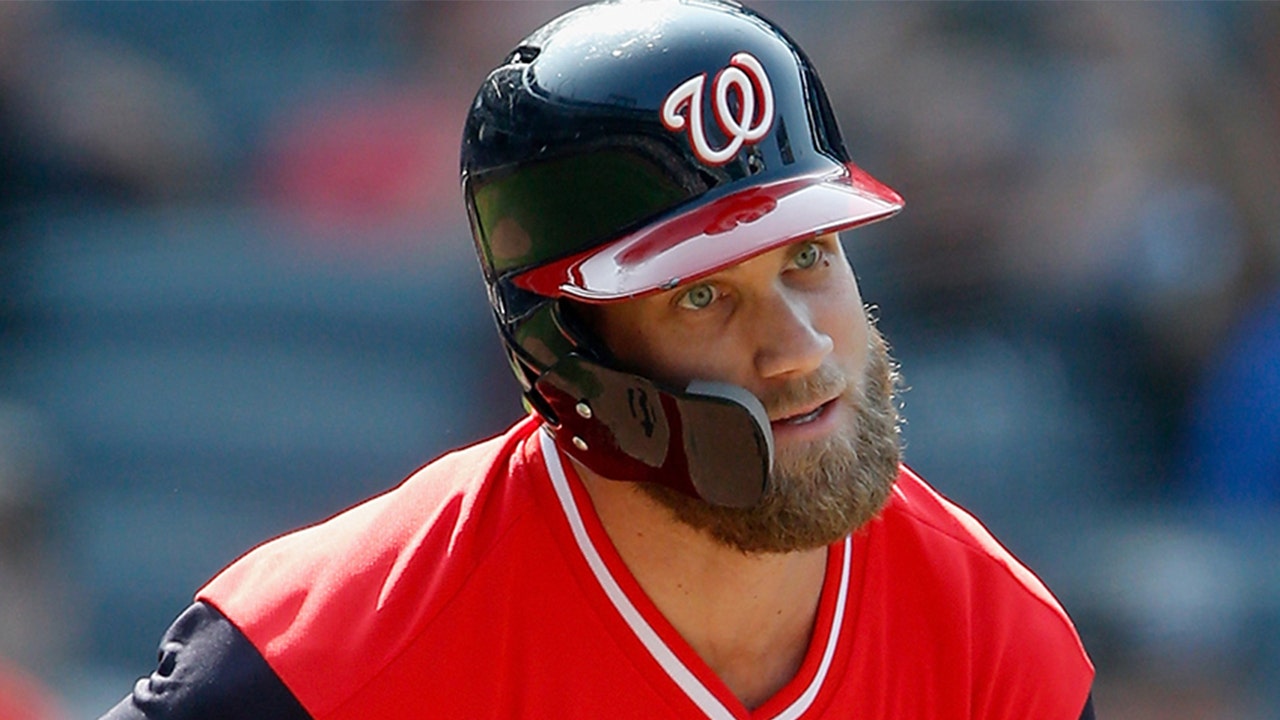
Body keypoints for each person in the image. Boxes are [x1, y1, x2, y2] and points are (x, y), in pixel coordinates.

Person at [101, 1, 1095, 718]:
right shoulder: (323, 658)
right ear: (567, 356)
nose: (797, 345)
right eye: (702, 295)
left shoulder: (989, 647)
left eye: (808, 257)